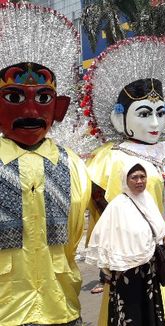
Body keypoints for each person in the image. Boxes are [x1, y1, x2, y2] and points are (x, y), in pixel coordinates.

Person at [81, 37, 165, 325]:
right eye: (144, 113)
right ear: (119, 119)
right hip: (133, 262)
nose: (154, 124)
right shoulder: (110, 159)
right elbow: (104, 215)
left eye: (160, 113)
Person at [0, 4, 91, 325]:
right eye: (13, 97)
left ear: (59, 108)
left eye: (42, 99)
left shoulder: (73, 167)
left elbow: (76, 230)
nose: (31, 110)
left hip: (59, 304)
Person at [86, 162, 165, 325]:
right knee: (129, 310)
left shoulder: (147, 199)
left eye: (142, 176)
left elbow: (157, 225)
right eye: (134, 177)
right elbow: (103, 236)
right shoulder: (118, 205)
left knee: (148, 306)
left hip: (148, 267)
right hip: (125, 269)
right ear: (126, 180)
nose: (139, 181)